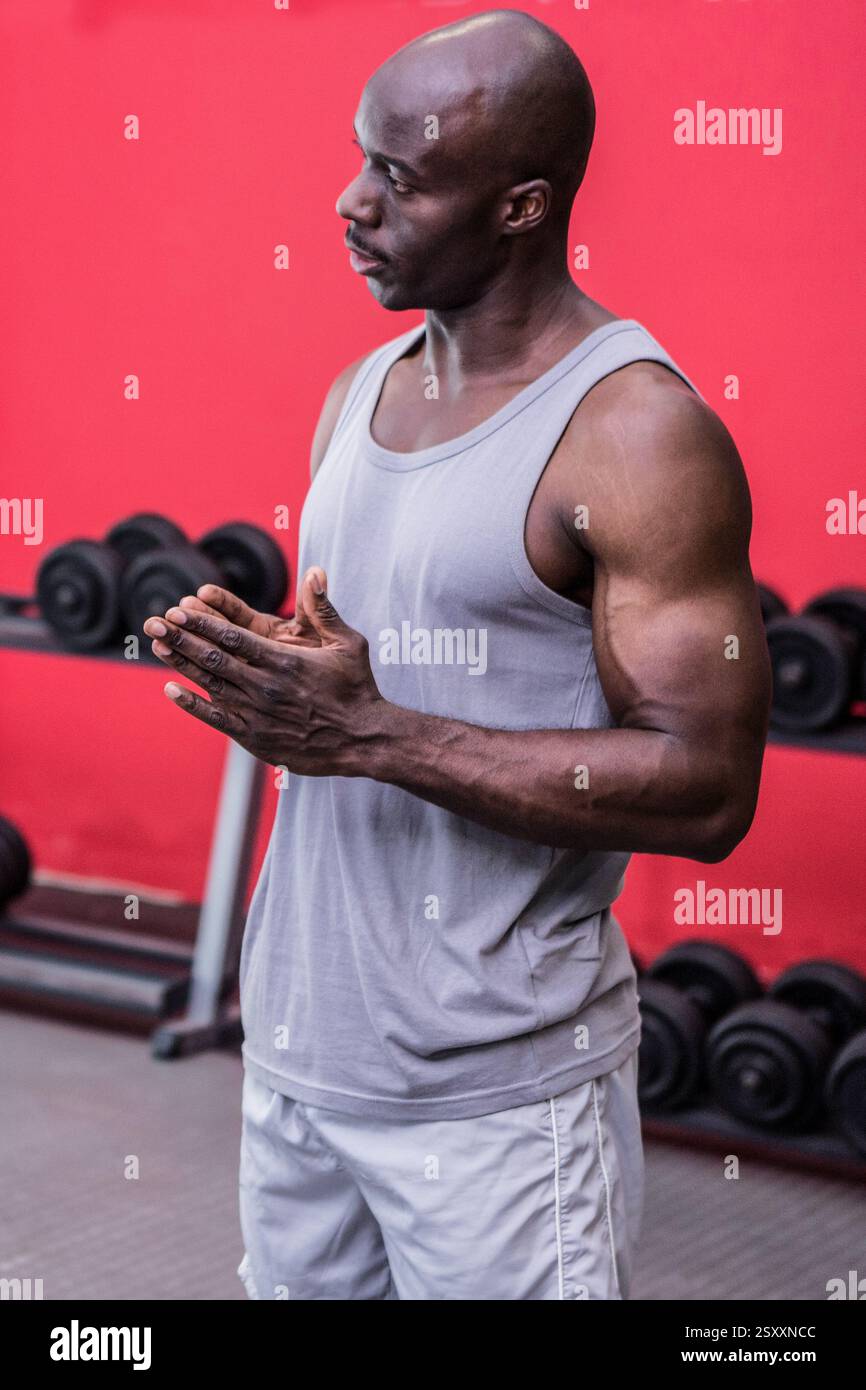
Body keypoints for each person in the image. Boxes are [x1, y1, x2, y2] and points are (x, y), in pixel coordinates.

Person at [143, 9, 770, 1300]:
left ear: (522, 207)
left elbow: (708, 784)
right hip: (306, 1059)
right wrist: (272, 669)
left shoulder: (635, 433)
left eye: (401, 177)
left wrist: (369, 732)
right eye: (358, 159)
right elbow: (387, 676)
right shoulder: (358, 391)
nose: (349, 203)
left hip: (496, 1098)